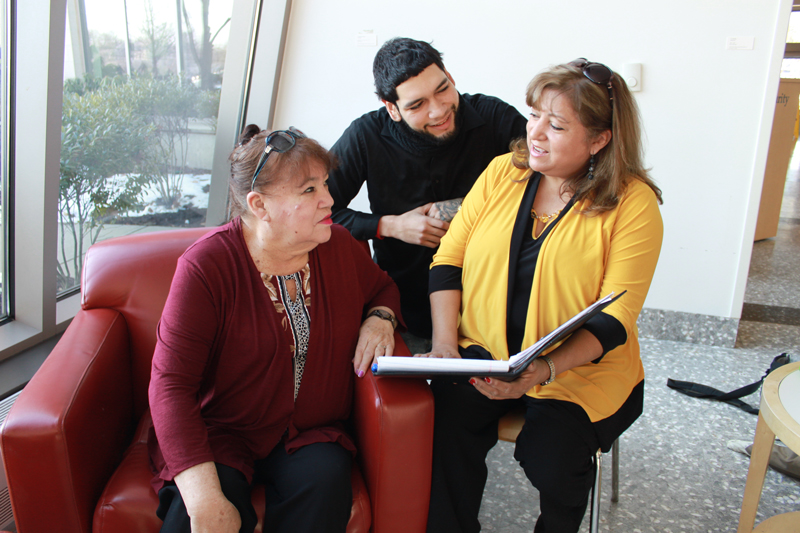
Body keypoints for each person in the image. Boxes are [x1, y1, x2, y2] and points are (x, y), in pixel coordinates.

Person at [420, 59, 664, 532]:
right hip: (486, 351)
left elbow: (614, 318)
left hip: (576, 370)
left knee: (553, 458)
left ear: (599, 140)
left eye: (556, 125)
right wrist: (447, 347)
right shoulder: (502, 173)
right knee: (443, 424)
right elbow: (448, 261)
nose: (534, 132)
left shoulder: (633, 203)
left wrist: (542, 370)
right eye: (534, 115)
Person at [147, 125, 403, 533]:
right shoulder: (206, 267)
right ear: (259, 205)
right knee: (201, 512)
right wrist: (204, 500)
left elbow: (383, 288)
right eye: (309, 190)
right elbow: (170, 385)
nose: (328, 199)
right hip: (223, 431)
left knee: (325, 479)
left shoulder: (338, 246)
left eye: (325, 184)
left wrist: (380, 318)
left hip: (310, 433)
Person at [328, 37, 527, 353]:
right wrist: (389, 226)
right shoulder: (365, 135)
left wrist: (465, 207)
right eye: (417, 105)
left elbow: (551, 180)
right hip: (405, 311)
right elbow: (320, 212)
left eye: (442, 89)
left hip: (493, 311)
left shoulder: (494, 117)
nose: (438, 111)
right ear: (392, 109)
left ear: (450, 76)